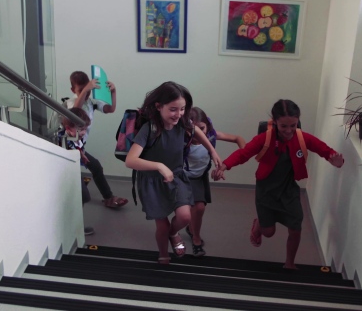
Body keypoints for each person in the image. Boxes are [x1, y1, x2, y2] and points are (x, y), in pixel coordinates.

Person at [211, 99, 344, 269]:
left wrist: (336, 160)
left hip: (289, 190)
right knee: (269, 233)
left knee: (295, 228)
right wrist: (224, 166)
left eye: (293, 125)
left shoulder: (302, 138)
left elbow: (324, 150)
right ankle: (259, 224)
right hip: (266, 190)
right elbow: (243, 153)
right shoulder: (264, 139)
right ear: (275, 122)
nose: (289, 131)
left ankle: (289, 263)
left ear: (298, 122)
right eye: (283, 126)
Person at [125, 82, 222, 264]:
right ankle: (163, 252)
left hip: (177, 177)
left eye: (182, 109)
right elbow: (131, 160)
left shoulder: (182, 123)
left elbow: (197, 132)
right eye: (173, 109)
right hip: (153, 182)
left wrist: (212, 151)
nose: (178, 114)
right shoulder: (150, 129)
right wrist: (159, 166)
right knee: (161, 224)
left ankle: (173, 233)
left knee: (185, 216)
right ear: (158, 106)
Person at [184, 107, 245, 257]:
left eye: (202, 128)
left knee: (198, 208)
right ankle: (195, 237)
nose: (198, 133)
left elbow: (238, 138)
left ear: (207, 126)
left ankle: (193, 230)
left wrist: (244, 155)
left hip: (200, 175)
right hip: (184, 177)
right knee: (198, 208)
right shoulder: (181, 139)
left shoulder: (211, 135)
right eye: (193, 129)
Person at [67, 71, 128, 209]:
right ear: (73, 90)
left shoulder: (91, 102)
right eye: (81, 90)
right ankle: (106, 198)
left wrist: (113, 92)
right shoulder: (71, 103)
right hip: (69, 146)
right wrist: (86, 90)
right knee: (85, 173)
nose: (86, 93)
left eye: (87, 89)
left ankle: (108, 198)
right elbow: (74, 113)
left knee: (96, 167)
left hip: (80, 146)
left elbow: (110, 109)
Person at [58, 108, 94, 234]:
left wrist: (82, 155)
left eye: (85, 129)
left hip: (73, 172)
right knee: (83, 196)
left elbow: (79, 148)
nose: (83, 132)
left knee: (81, 197)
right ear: (68, 129)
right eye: (80, 129)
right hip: (66, 174)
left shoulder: (76, 137)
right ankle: (75, 227)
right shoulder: (63, 139)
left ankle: (76, 225)